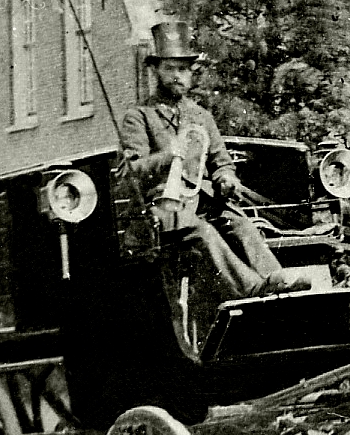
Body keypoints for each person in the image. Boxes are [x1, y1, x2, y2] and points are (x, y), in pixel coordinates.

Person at [118, 21, 311, 299]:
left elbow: (221, 162)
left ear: (191, 73)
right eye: (169, 68)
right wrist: (169, 154)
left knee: (241, 224)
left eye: (182, 69)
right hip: (159, 212)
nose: (176, 76)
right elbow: (131, 171)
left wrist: (226, 178)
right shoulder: (139, 117)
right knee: (202, 232)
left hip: (201, 203)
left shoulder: (201, 117)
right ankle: (251, 288)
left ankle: (277, 280)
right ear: (156, 71)